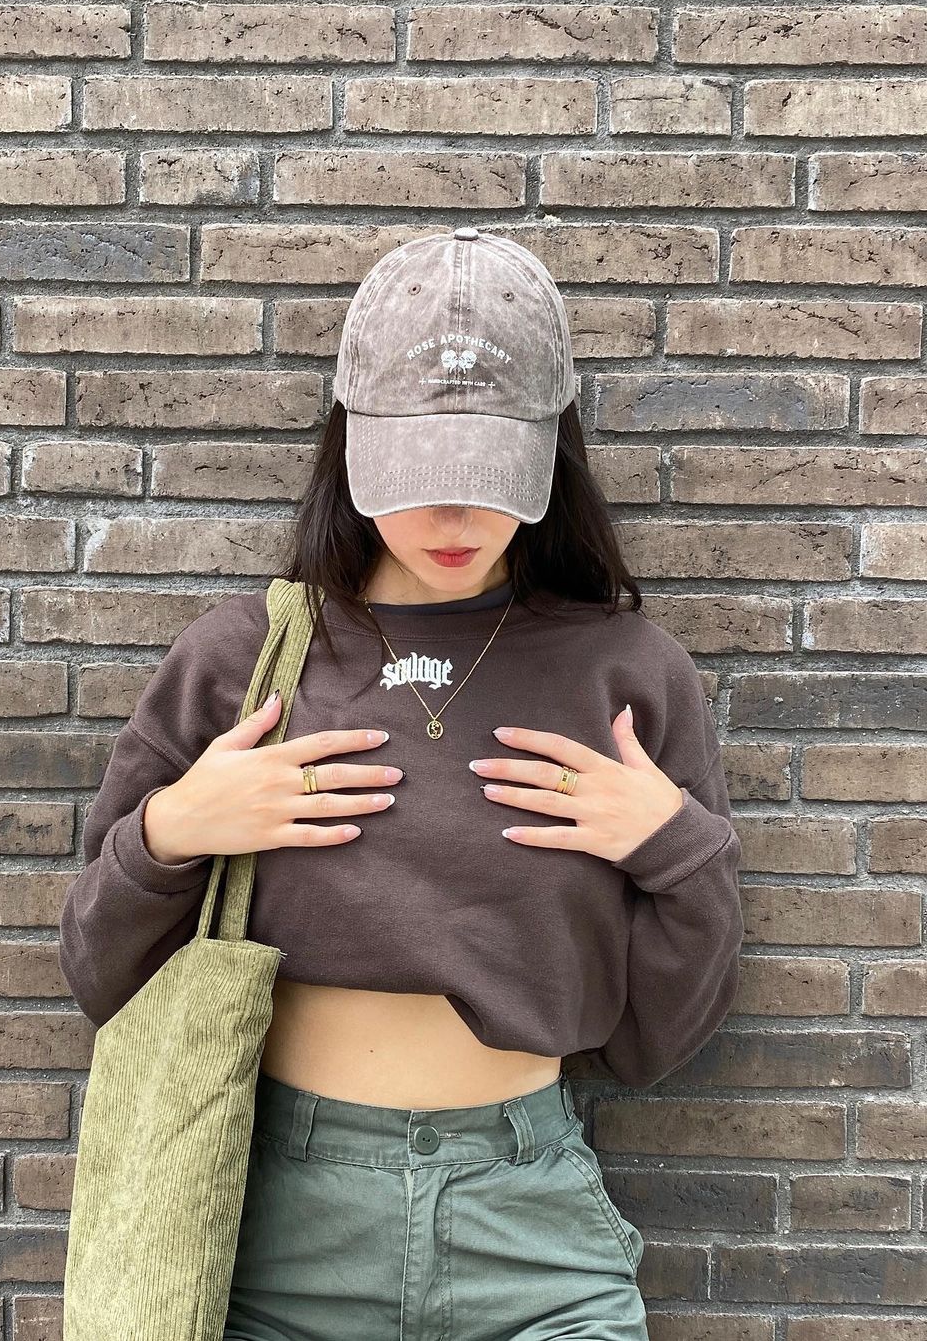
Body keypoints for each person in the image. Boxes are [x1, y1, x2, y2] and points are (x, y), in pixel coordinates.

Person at [59, 227, 744, 1339]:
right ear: (353, 445)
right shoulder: (242, 662)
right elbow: (98, 973)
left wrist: (675, 848)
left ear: (549, 455)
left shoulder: (626, 673)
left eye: (486, 478)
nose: (453, 520)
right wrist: (173, 831)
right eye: (419, 475)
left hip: (530, 1226)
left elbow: (653, 1041)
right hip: (275, 1232)